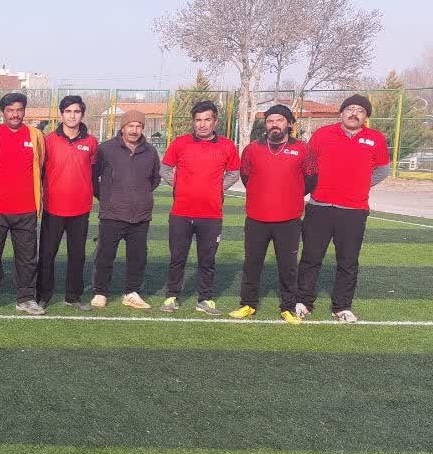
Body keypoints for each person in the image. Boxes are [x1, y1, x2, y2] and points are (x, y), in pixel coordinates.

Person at [294, 94, 390, 323]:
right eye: (350, 109)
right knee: (310, 257)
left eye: (360, 111)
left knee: (348, 261)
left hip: (354, 210)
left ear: (366, 117)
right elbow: (307, 164)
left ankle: (342, 306)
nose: (354, 113)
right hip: (320, 207)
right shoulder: (323, 134)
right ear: (342, 112)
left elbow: (382, 170)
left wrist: (361, 184)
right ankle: (303, 302)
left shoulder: (376, 138)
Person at [230, 105, 313, 323]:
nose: (274, 124)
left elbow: (311, 178)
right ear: (265, 125)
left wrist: (290, 193)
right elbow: (246, 176)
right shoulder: (252, 149)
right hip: (257, 218)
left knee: (288, 266)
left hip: (289, 219)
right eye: (270, 121)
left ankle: (288, 307)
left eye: (280, 120)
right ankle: (248, 304)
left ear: (289, 124)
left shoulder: (302, 149)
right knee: (252, 263)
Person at [160, 100, 240, 315]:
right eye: (198, 120)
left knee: (207, 260)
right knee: (177, 258)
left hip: (211, 215)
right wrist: (178, 185)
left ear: (215, 121)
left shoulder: (227, 146)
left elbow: (234, 173)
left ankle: (205, 299)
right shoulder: (180, 143)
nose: (202, 124)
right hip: (181, 213)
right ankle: (171, 297)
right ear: (193, 122)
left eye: (207, 119)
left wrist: (217, 188)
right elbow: (165, 169)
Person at [0, 92, 46, 315]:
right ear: (3, 112)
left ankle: (26, 298)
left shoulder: (35, 136)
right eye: (10, 110)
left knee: (27, 259)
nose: (15, 114)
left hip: (26, 209)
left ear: (24, 111)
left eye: (19, 110)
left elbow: (41, 164)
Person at [90, 110, 161, 310]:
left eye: (138, 126)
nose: (134, 130)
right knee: (105, 255)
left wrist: (141, 194)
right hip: (112, 213)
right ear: (123, 127)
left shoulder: (150, 151)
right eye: (131, 126)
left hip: (140, 215)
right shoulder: (106, 149)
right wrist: (106, 197)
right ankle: (100, 292)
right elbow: (92, 177)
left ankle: (132, 292)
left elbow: (155, 179)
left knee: (138, 257)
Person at [37, 95, 100, 308]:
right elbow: (40, 171)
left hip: (80, 209)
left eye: (77, 111)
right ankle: (43, 296)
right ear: (61, 114)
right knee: (47, 255)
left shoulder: (91, 142)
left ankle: (73, 297)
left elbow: (94, 172)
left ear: (82, 114)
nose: (72, 116)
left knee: (77, 256)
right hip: (53, 207)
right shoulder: (48, 141)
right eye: (68, 111)